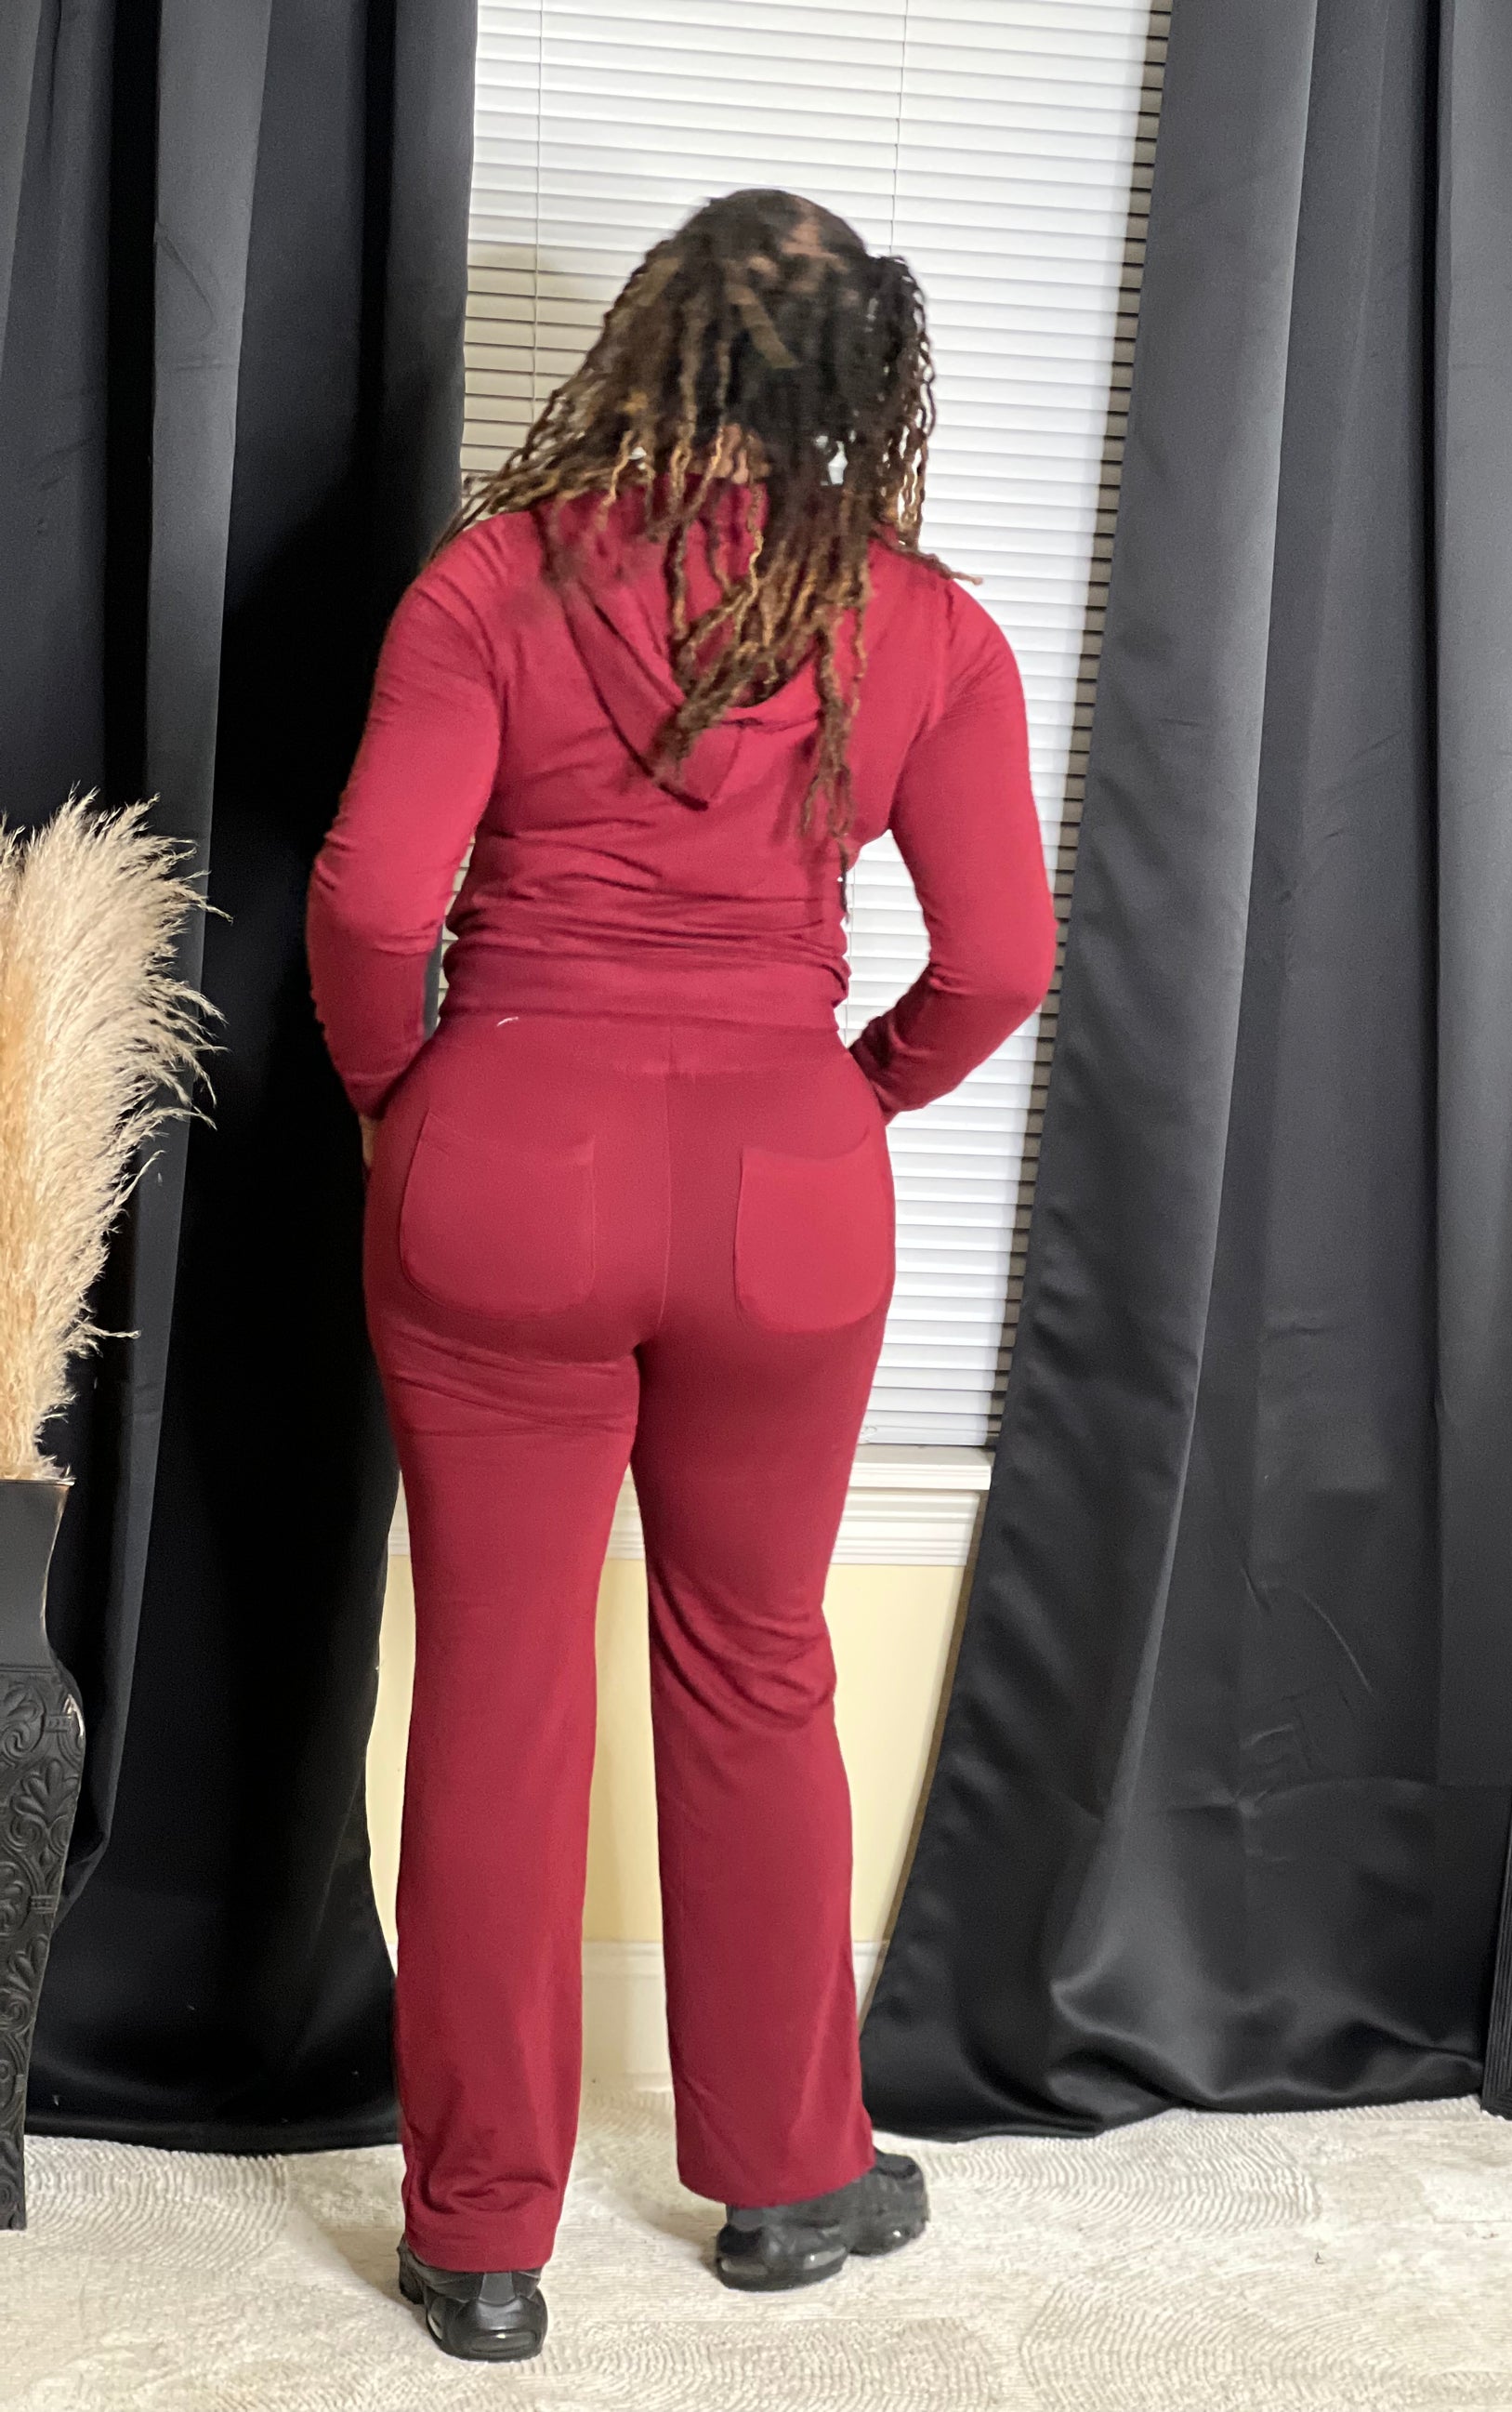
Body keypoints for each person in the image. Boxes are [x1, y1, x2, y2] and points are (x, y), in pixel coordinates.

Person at [306, 186, 1056, 2363]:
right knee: (755, 1660)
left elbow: (370, 906)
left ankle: (479, 2238)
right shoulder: (924, 625)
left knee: (497, 1682)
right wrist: (852, 1094)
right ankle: (793, 2176)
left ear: (651, 347)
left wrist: (402, 1102)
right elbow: (1000, 959)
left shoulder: (490, 582)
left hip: (499, 1168)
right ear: (861, 391)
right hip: (784, 1186)